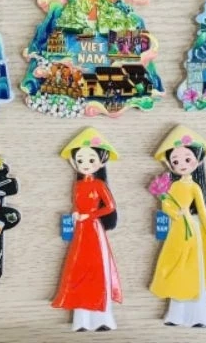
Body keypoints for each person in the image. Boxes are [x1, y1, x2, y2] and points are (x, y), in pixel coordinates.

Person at [150, 126, 206, 327]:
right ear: (169, 163)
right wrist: (173, 211)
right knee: (176, 269)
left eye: (187, 160)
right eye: (175, 161)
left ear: (198, 161)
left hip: (191, 231)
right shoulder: (172, 186)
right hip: (176, 232)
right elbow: (166, 206)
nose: (181, 165)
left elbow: (203, 213)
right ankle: (175, 313)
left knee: (192, 270)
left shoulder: (194, 187)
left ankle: (199, 315)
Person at [52, 129, 122, 331]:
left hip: (94, 229)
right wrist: (76, 213)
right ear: (74, 162)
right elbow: (76, 204)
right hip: (81, 230)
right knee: (79, 269)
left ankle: (103, 318)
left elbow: (110, 207)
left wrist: (90, 216)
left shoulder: (99, 184)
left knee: (97, 269)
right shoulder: (77, 185)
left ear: (102, 161)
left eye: (91, 160)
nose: (85, 164)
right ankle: (81, 318)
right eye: (80, 160)